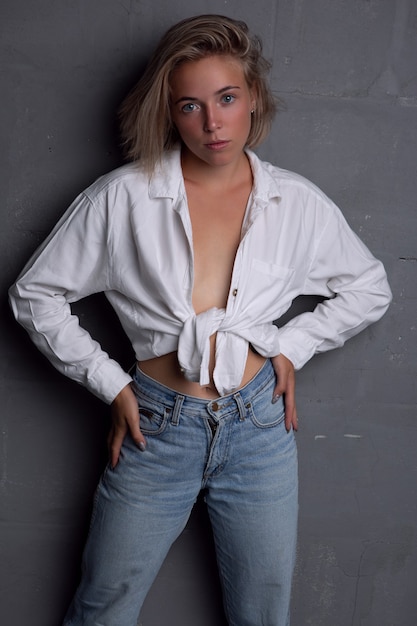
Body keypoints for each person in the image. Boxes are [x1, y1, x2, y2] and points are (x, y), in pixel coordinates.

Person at [9, 14, 392, 626]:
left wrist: (293, 345)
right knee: (104, 606)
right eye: (190, 105)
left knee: (263, 614)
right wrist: (110, 384)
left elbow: (369, 288)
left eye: (227, 98)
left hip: (260, 429)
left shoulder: (298, 203)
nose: (212, 123)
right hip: (156, 429)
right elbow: (35, 294)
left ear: (253, 99)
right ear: (169, 110)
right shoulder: (122, 199)